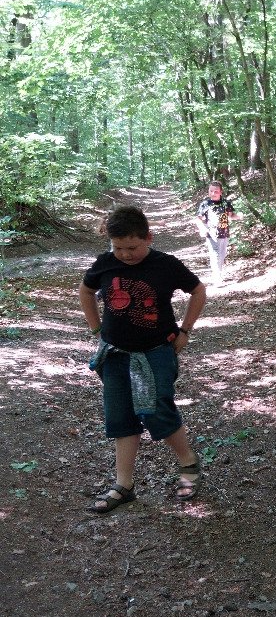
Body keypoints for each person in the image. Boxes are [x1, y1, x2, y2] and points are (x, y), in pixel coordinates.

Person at [79, 205, 207, 512]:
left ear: (148, 237)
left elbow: (198, 291)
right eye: (118, 248)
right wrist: (96, 328)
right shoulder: (104, 264)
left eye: (132, 247)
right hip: (115, 354)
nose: (125, 254)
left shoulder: (166, 265)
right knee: (120, 415)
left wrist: (185, 330)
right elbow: (85, 291)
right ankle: (124, 485)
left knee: (157, 409)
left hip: (156, 351)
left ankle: (188, 462)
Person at [195, 181, 243, 286]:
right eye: (211, 191)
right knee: (215, 255)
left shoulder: (226, 203)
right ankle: (217, 278)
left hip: (224, 233)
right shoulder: (205, 204)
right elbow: (198, 219)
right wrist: (202, 228)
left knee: (222, 255)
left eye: (216, 191)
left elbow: (231, 215)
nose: (213, 193)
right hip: (211, 234)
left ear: (221, 192)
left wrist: (239, 216)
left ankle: (219, 274)